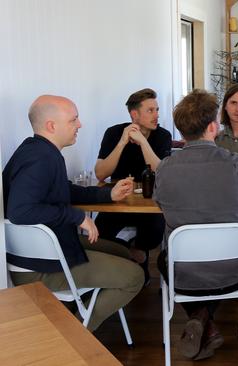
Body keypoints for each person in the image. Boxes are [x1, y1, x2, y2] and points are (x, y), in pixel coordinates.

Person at [3, 95, 144, 332]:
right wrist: (77, 217)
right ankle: (73, 333)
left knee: (121, 250)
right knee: (135, 277)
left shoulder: (38, 150)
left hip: (52, 249)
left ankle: (76, 315)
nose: (80, 124)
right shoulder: (40, 158)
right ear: (51, 126)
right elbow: (20, 211)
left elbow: (63, 190)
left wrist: (107, 195)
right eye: (73, 119)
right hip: (40, 267)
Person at [154, 89, 238, 360]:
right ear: (213, 127)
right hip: (232, 271)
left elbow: (162, 207)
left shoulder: (165, 168)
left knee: (164, 257)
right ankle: (206, 320)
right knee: (215, 256)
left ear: (182, 132)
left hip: (183, 272)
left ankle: (200, 317)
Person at [94, 88, 171, 284]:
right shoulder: (113, 133)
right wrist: (121, 143)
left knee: (155, 229)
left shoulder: (162, 135)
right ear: (134, 114)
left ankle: (138, 255)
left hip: (150, 202)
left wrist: (143, 142)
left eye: (157, 109)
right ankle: (126, 262)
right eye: (150, 110)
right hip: (119, 200)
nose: (157, 115)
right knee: (100, 232)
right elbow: (101, 173)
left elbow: (162, 173)